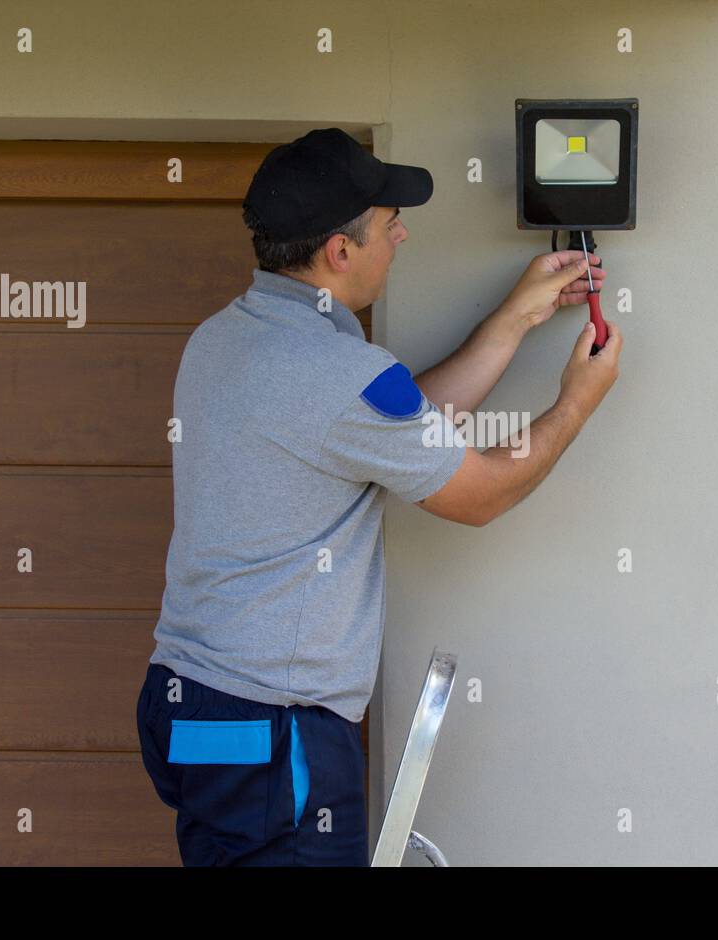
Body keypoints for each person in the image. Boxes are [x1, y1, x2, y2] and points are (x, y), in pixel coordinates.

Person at [136, 127, 622, 866]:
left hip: (192, 709)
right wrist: (576, 405)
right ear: (339, 251)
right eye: (385, 221)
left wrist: (517, 317)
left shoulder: (222, 341)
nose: (401, 231)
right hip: (273, 729)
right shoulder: (338, 376)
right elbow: (478, 494)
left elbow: (383, 430)